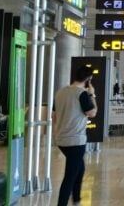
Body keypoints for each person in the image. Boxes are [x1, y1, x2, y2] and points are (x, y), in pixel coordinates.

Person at [53, 65, 97, 206]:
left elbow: (54, 116)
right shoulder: (82, 94)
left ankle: (77, 200)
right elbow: (92, 113)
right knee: (69, 177)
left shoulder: (60, 92)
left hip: (61, 139)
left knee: (80, 168)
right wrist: (92, 94)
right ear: (88, 79)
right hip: (75, 140)